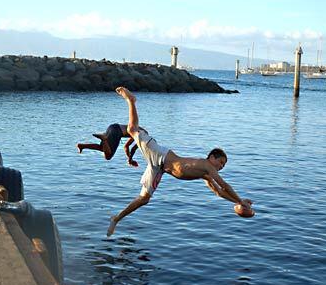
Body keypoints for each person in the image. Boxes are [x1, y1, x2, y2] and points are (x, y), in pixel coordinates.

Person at [107, 87, 253, 237]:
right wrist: (240, 201)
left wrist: (236, 201)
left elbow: (218, 191)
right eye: (221, 162)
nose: (221, 166)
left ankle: (116, 219)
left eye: (223, 165)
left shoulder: (206, 175)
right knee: (132, 129)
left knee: (144, 199)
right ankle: (131, 100)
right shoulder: (207, 166)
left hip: (159, 168)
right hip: (160, 154)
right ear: (212, 158)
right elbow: (224, 185)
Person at [77, 123, 142, 166]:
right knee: (108, 156)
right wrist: (130, 160)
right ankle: (103, 138)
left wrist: (129, 159)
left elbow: (126, 146)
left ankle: (82, 146)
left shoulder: (140, 132)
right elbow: (133, 149)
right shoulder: (143, 135)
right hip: (117, 131)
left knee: (103, 148)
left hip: (112, 127)